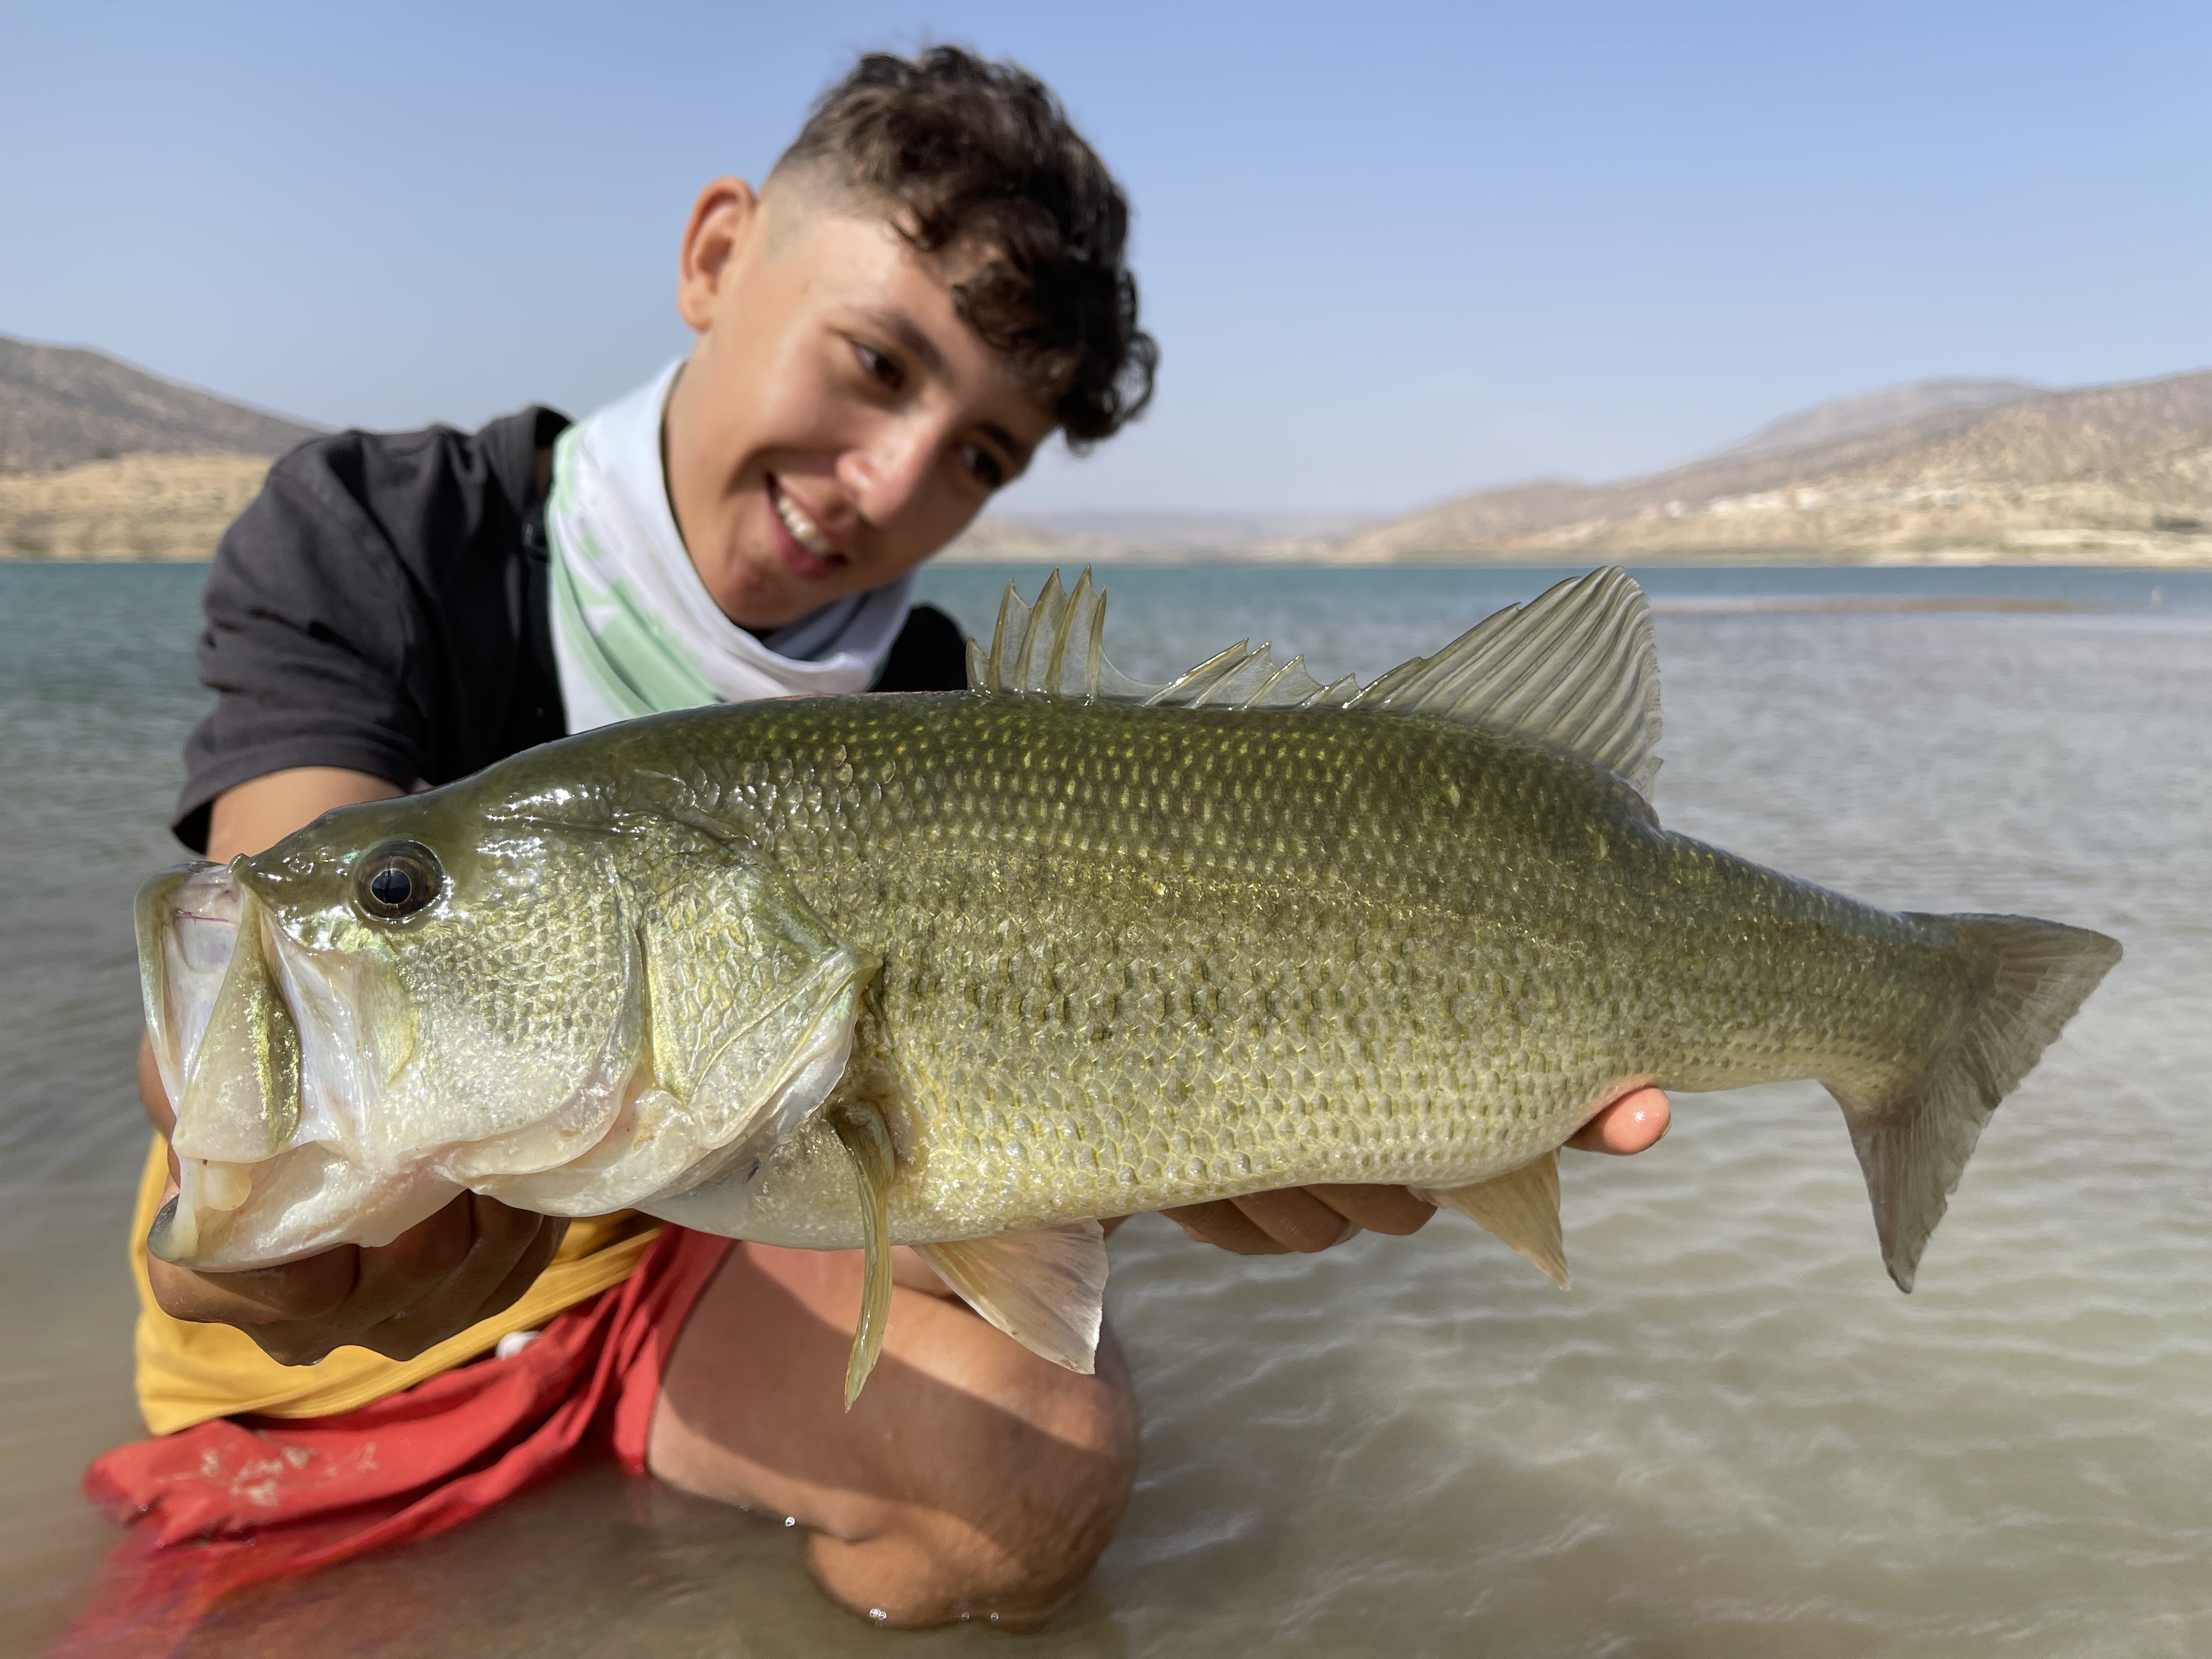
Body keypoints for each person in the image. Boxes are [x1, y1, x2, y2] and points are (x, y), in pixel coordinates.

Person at [105, 45, 1671, 1630]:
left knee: (1037, 1470)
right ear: (717, 255)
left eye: (983, 457)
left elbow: (930, 1192)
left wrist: (1134, 1150)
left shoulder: (931, 705)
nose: (892, 480)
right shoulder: (384, 530)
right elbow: (299, 888)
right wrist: (251, 1165)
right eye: (874, 362)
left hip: (686, 1251)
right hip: (398, 1305)